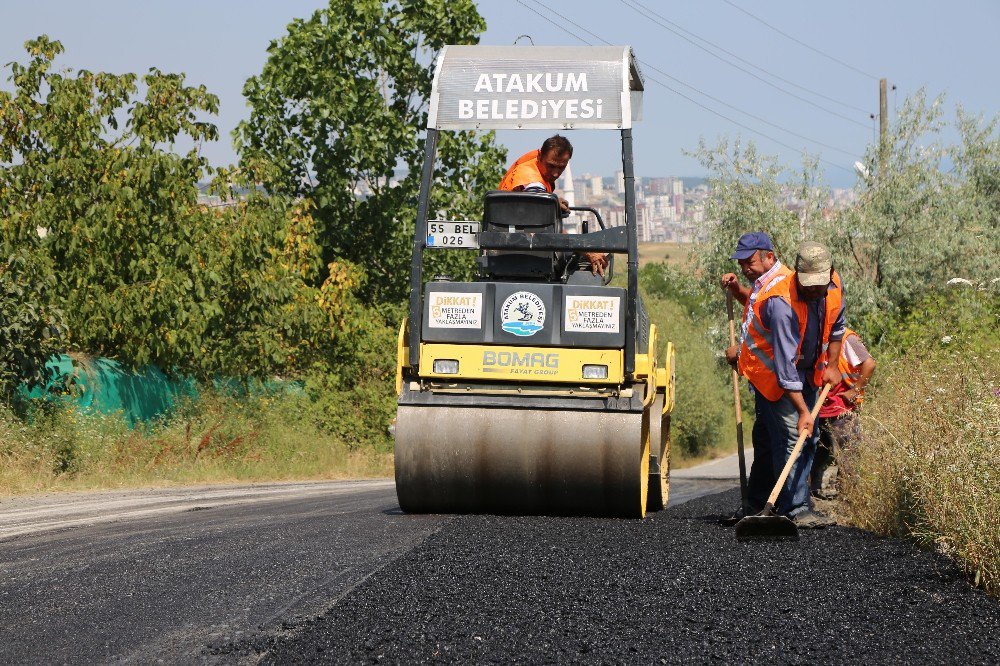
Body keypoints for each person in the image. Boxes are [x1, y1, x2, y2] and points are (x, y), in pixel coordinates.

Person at [723, 237, 844, 527]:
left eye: (820, 284)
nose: (815, 290)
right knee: (796, 437)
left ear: (829, 274)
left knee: (769, 440)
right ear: (798, 277)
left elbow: (837, 327)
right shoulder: (781, 303)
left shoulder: (834, 286)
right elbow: (785, 367)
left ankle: (756, 503)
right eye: (809, 285)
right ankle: (796, 509)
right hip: (773, 376)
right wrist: (803, 411)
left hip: (807, 372)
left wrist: (834, 364)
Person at [498, 135, 609, 276]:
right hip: (520, 247)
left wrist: (552, 200)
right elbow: (545, 228)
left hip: (515, 241)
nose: (556, 173)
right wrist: (585, 249)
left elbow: (530, 205)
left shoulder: (531, 170)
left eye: (561, 167)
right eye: (551, 165)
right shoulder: (531, 180)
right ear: (540, 157)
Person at [811, 328, 876, 498]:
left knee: (848, 454)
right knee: (817, 452)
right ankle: (811, 493)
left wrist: (855, 391)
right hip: (817, 409)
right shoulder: (811, 332)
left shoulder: (846, 338)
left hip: (841, 409)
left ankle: (849, 497)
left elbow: (869, 364)